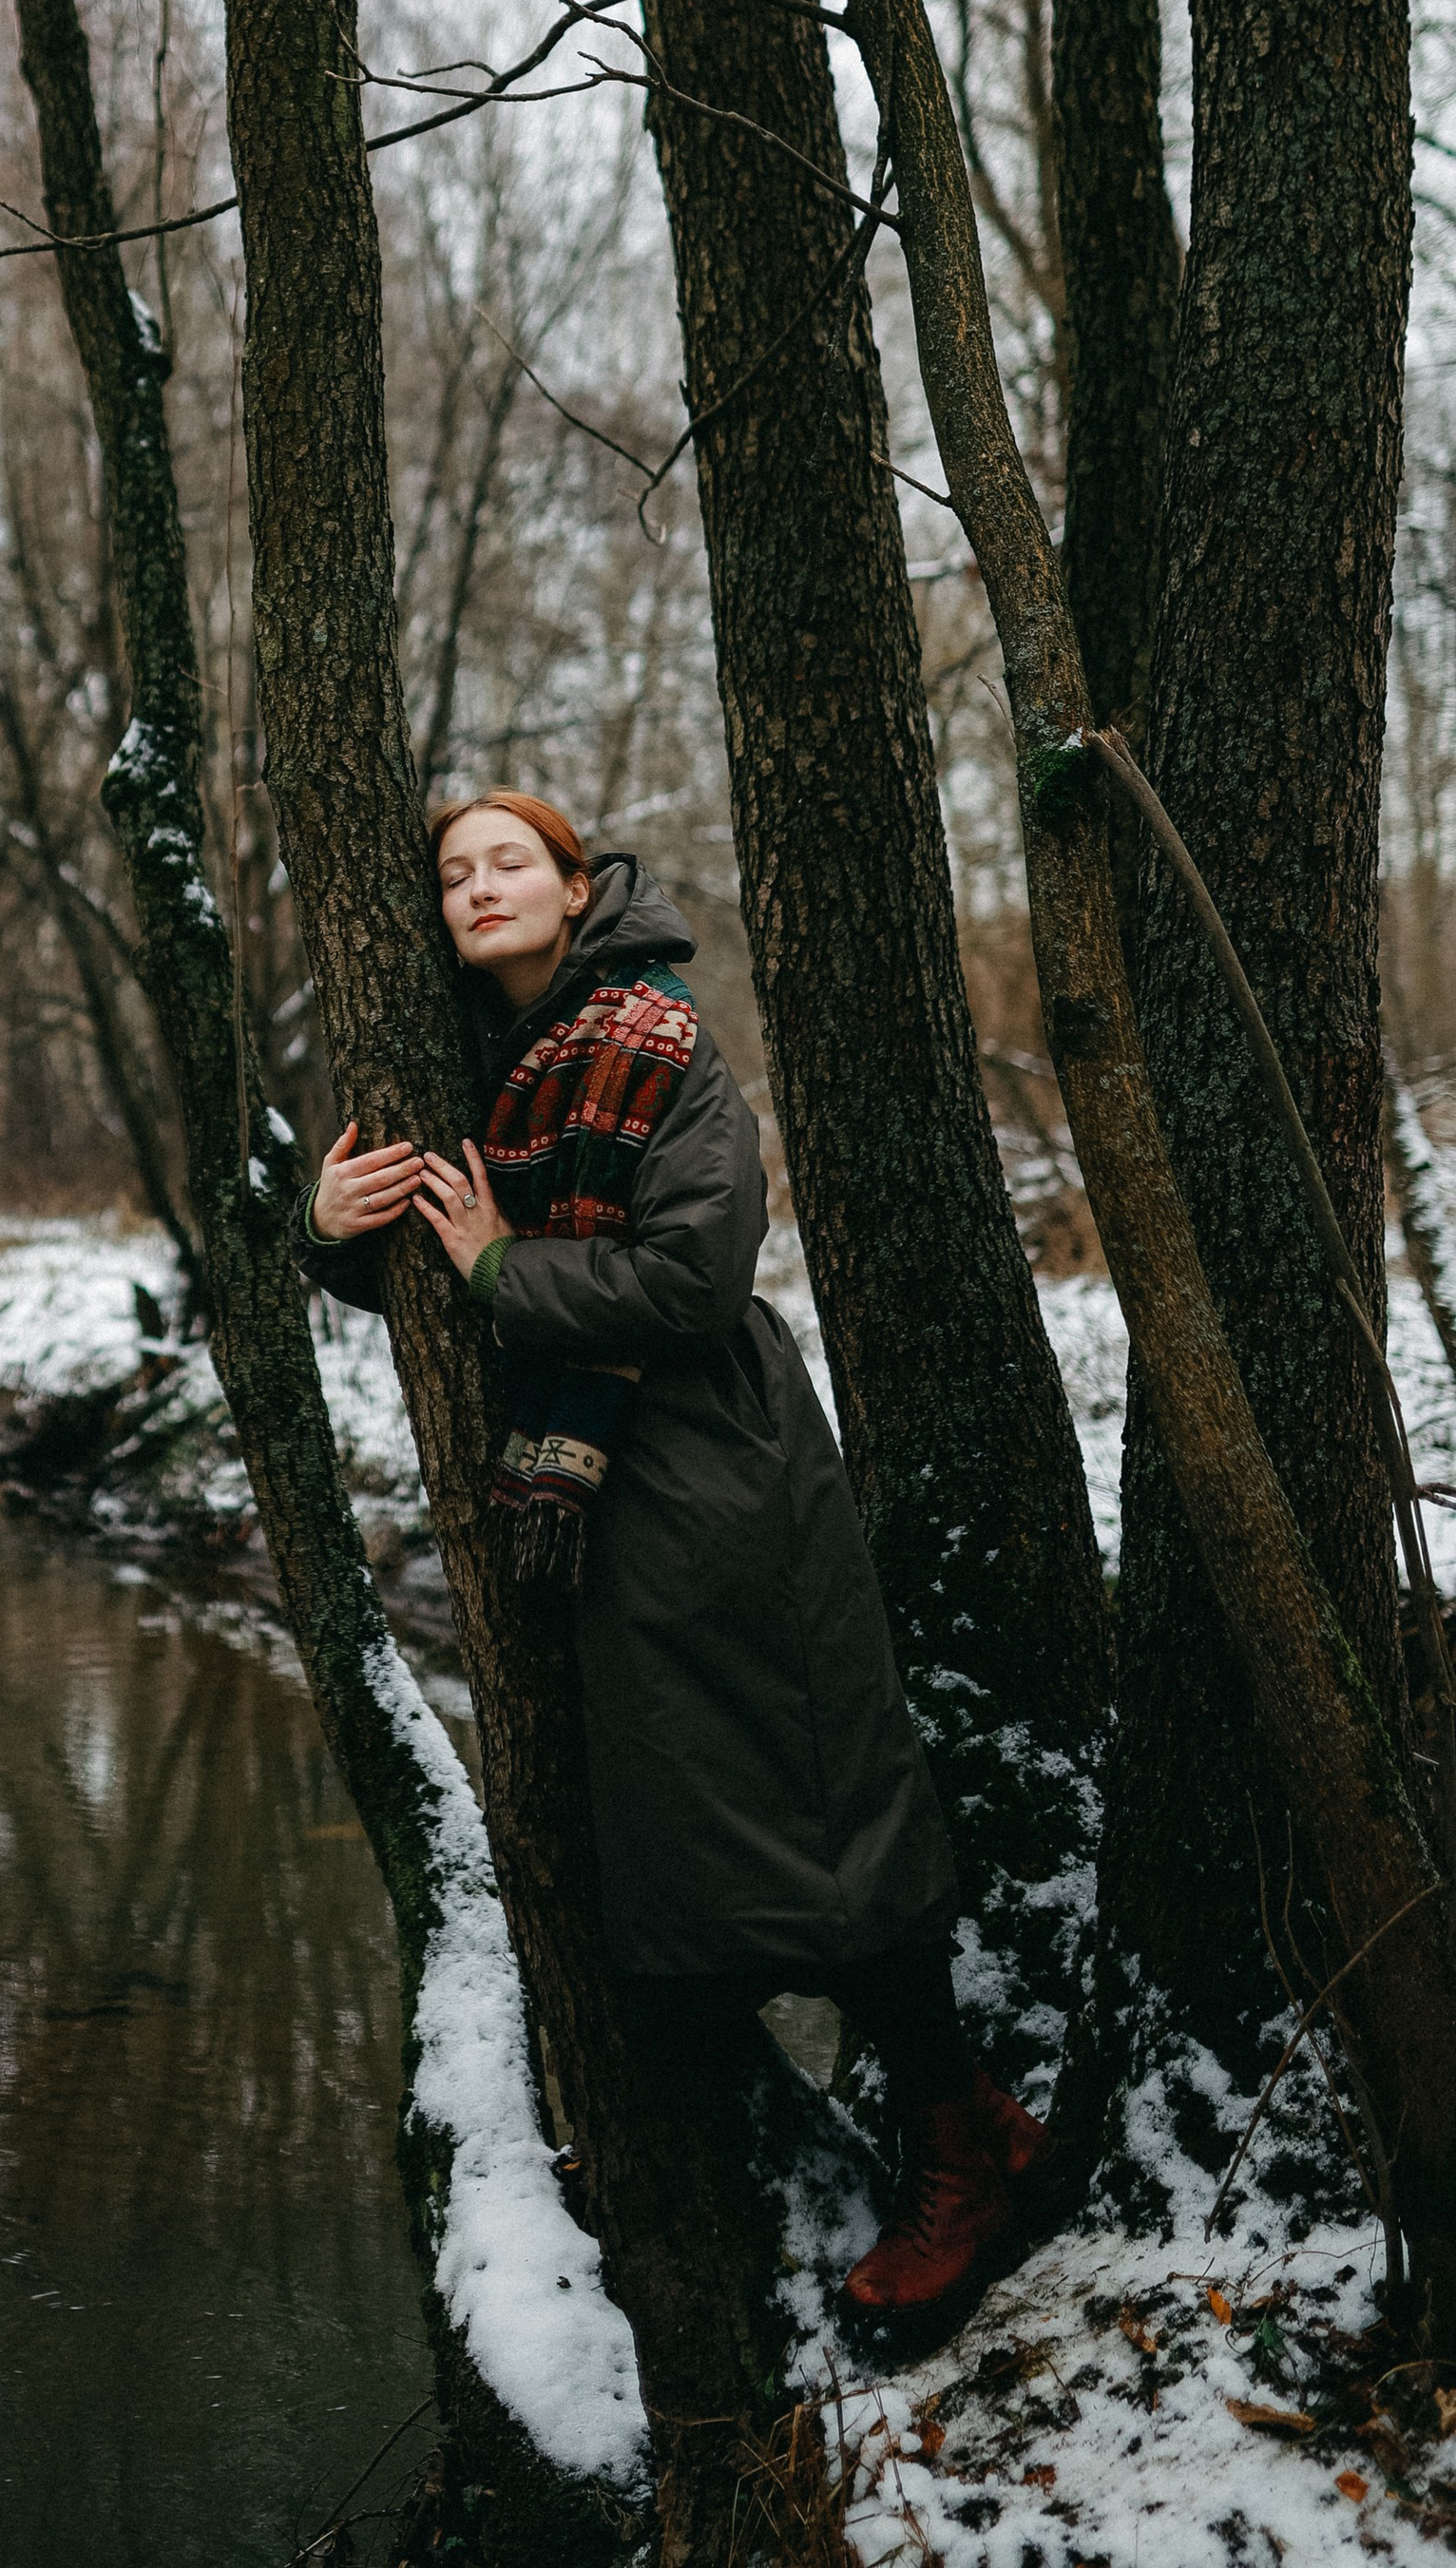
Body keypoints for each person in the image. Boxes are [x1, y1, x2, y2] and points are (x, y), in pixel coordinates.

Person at [296, 787, 1051, 2350]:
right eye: (453, 871)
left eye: (511, 860)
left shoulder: (656, 1041)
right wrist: (330, 1230)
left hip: (719, 1470)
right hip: (594, 1494)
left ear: (577, 887)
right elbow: (445, 1287)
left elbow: (691, 1275)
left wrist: (501, 1263)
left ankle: (958, 2159)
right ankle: (920, 2125)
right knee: (678, 1830)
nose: (478, 885)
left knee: (824, 1813)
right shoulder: (469, 1064)